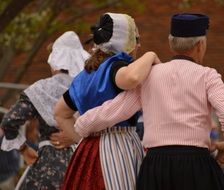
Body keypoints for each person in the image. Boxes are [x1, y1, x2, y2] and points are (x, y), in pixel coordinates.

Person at [72, 13, 224, 190]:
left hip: (156, 167)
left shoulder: (151, 75)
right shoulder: (208, 75)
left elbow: (113, 110)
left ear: (171, 43)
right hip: (196, 164)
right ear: (200, 45)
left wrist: (81, 125)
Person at [54, 13, 160, 190]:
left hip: (87, 151)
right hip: (119, 149)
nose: (139, 44)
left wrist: (82, 140)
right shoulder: (116, 67)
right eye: (135, 38)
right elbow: (133, 78)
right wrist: (150, 55)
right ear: (123, 41)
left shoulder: (84, 75)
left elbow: (60, 113)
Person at [0, 31, 89, 190]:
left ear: (54, 60)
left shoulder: (41, 89)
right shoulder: (90, 87)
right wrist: (77, 136)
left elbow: (9, 121)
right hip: (83, 165)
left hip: (48, 167)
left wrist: (24, 149)